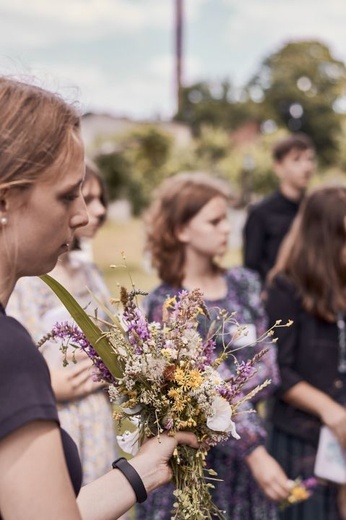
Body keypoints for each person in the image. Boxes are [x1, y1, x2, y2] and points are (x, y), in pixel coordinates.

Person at [0, 76, 198, 520]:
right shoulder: (9, 353)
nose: (85, 215)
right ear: (4, 201)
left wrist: (141, 471)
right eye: (68, 194)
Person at [136, 172, 292, 520]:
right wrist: (249, 444)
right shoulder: (167, 304)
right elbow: (198, 393)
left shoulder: (245, 284)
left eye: (227, 219)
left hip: (248, 468)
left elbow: (268, 367)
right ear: (181, 230)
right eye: (215, 220)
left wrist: (221, 395)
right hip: (198, 466)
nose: (227, 228)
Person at [7, 160, 118, 486]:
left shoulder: (91, 274)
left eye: (101, 200)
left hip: (98, 416)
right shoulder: (30, 279)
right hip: (59, 417)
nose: (94, 211)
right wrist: (55, 385)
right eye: (82, 197)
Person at [265, 185, 346, 519]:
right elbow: (276, 372)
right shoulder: (285, 289)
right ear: (324, 239)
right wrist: (331, 411)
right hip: (302, 437)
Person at [243, 132, 316, 285]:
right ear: (278, 167)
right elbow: (251, 267)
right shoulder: (260, 213)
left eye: (310, 159)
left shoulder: (315, 210)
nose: (307, 166)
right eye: (296, 160)